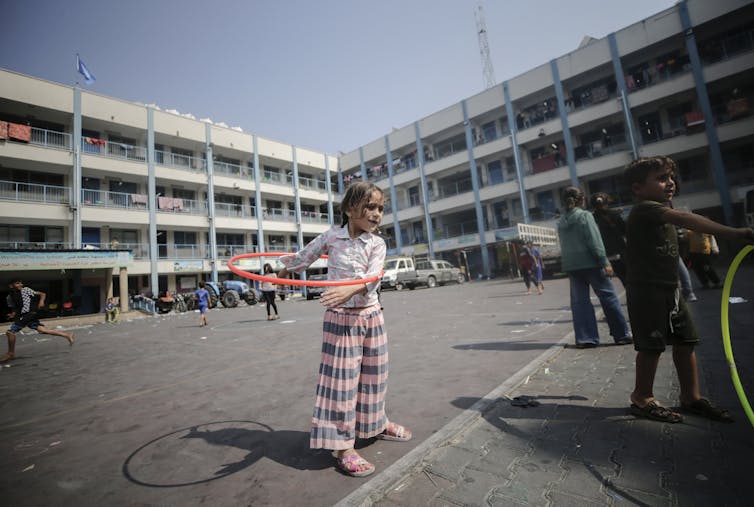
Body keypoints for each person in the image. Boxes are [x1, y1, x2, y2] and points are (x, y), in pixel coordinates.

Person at [276, 181, 412, 478]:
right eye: (371, 207)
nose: (377, 214)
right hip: (340, 320)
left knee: (375, 376)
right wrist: (285, 269)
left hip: (371, 315)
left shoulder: (377, 243)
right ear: (351, 209)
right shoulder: (331, 238)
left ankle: (375, 423)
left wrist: (349, 290)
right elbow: (304, 257)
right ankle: (342, 446)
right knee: (341, 383)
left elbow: (374, 276)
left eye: (381, 208)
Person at [623, 156, 754, 423]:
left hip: (670, 290)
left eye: (671, 177)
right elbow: (684, 218)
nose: (670, 183)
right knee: (652, 346)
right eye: (661, 178)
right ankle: (641, 397)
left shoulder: (660, 209)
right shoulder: (644, 209)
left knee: (686, 342)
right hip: (647, 292)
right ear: (637, 188)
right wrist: (736, 233)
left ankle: (691, 396)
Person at [557, 186, 633, 349]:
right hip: (591, 263)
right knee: (608, 297)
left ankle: (586, 338)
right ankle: (622, 335)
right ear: (582, 199)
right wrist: (604, 261)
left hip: (572, 265)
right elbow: (594, 241)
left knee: (580, 303)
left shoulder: (561, 221)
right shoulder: (585, 216)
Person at [2, 279, 74, 362]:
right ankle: (67, 335)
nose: (21, 284)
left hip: (30, 313)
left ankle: (10, 353)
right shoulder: (10, 297)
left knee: (10, 332)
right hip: (24, 315)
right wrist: (12, 314)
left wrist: (41, 301)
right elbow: (15, 309)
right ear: (11, 286)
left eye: (21, 283)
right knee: (43, 330)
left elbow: (42, 294)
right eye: (18, 283)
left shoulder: (25, 290)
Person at [589, 192, 628, 286]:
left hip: (604, 257)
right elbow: (625, 231)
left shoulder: (591, 218)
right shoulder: (614, 214)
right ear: (607, 202)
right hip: (621, 253)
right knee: (629, 280)